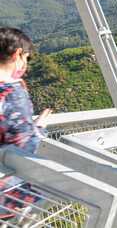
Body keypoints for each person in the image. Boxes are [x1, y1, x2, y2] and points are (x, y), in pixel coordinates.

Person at [0, 28, 50, 218]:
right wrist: (39, 128)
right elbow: (25, 147)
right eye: (26, 59)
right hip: (8, 198)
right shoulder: (12, 93)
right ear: (17, 54)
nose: (26, 66)